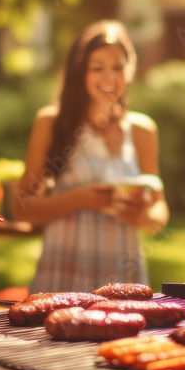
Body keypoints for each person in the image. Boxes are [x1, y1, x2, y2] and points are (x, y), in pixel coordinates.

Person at [13, 20, 169, 292]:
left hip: (124, 277)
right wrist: (79, 198)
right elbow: (21, 208)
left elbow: (159, 209)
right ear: (79, 72)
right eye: (98, 68)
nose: (110, 78)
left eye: (118, 68)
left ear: (129, 71)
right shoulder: (51, 123)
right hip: (64, 274)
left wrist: (143, 216)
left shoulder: (142, 129)